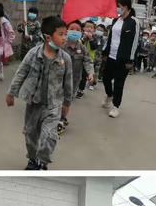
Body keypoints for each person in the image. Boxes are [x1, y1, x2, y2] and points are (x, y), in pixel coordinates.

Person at [6, 16, 73, 171]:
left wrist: (67, 104)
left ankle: (42, 162)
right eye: (61, 34)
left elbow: (68, 83)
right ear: (48, 37)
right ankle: (32, 159)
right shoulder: (33, 54)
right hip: (33, 103)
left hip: (53, 105)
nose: (65, 37)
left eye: (66, 34)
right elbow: (21, 73)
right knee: (30, 135)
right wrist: (11, 93)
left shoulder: (66, 59)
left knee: (49, 136)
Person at [102, 0, 140, 118]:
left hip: (123, 59)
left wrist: (131, 59)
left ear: (126, 6)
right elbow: (110, 38)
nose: (117, 8)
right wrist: (105, 52)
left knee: (119, 83)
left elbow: (135, 42)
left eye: (118, 6)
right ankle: (109, 94)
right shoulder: (115, 20)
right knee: (105, 78)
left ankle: (115, 106)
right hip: (111, 56)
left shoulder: (134, 22)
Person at [58, 21, 94, 134]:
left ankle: (62, 117)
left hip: (74, 80)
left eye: (77, 30)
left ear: (81, 32)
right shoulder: (62, 46)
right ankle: (59, 119)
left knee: (68, 100)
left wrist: (90, 73)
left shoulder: (82, 48)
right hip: (60, 78)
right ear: (68, 31)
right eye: (72, 29)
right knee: (59, 99)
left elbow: (87, 61)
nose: (75, 31)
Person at [80, 20, 98, 93]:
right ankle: (77, 87)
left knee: (85, 75)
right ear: (83, 28)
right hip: (80, 58)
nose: (89, 29)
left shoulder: (95, 38)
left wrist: (90, 39)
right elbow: (79, 44)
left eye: (91, 27)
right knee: (79, 74)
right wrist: (84, 38)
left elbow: (94, 47)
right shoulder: (81, 36)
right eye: (87, 27)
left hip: (89, 59)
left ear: (94, 30)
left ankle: (81, 89)